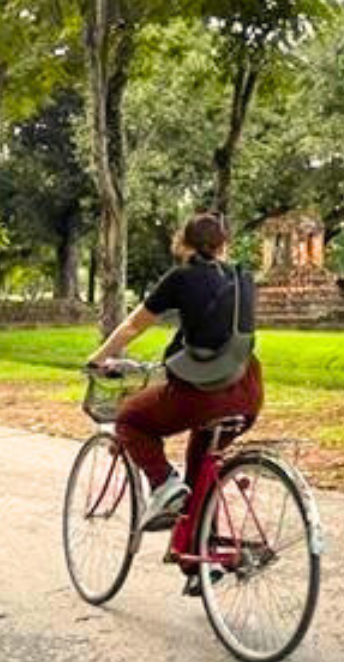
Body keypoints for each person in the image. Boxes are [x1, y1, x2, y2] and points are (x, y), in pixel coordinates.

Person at [86, 212, 262, 548]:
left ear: (183, 243)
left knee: (129, 418)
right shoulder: (240, 278)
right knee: (201, 473)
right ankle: (200, 558)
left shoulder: (181, 278)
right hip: (248, 390)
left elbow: (133, 326)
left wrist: (99, 357)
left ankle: (164, 484)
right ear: (225, 244)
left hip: (204, 392)